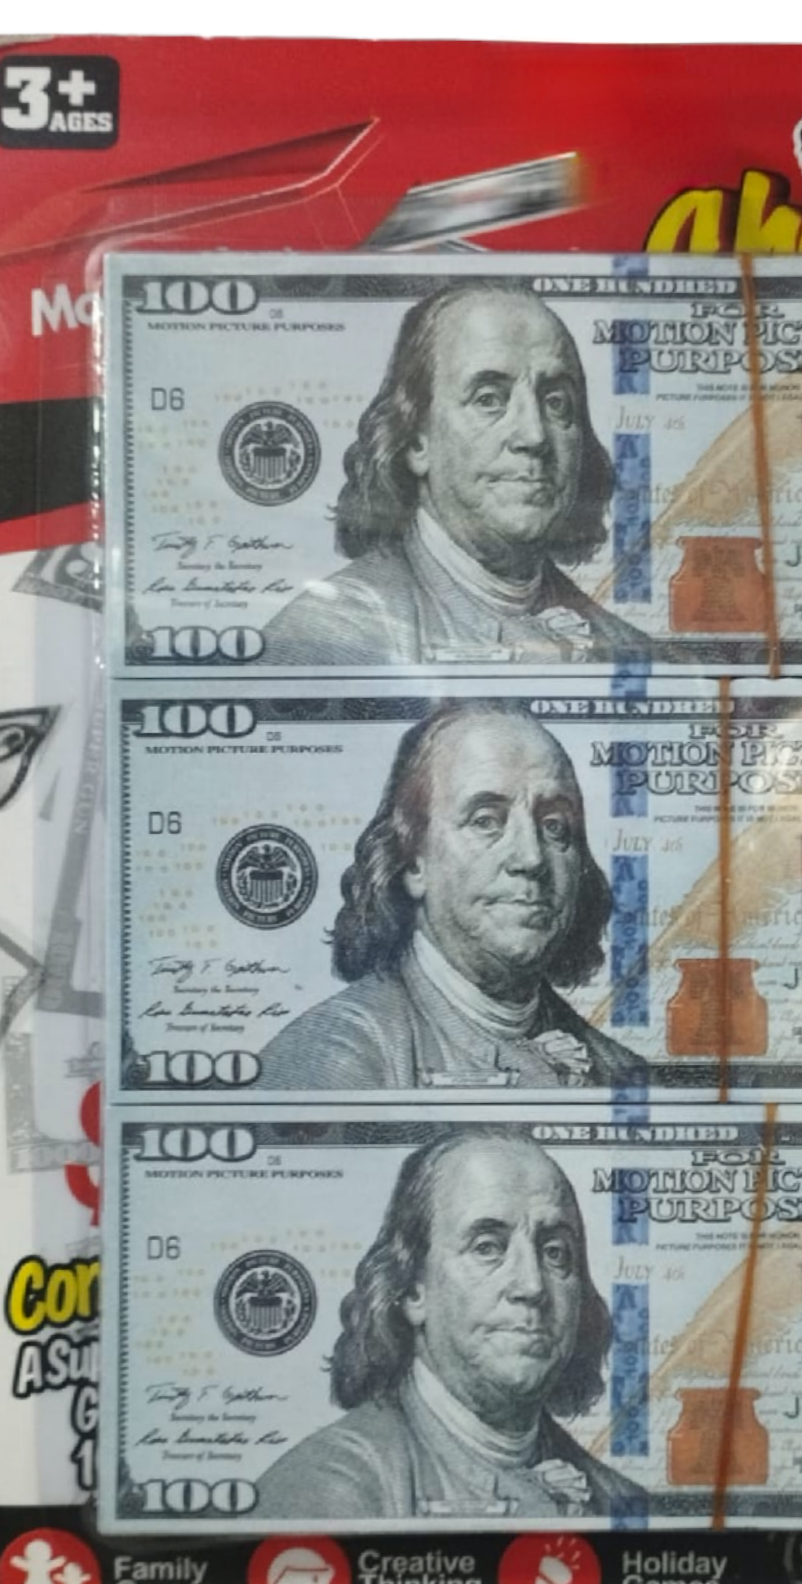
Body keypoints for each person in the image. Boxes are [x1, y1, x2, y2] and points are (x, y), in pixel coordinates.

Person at [255, 700, 647, 1090]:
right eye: (485, 821)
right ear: (413, 861)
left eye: (554, 826)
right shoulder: (329, 1062)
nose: (531, 857)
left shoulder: (623, 1072)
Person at [256, 1131, 644, 1520]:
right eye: (487, 1247)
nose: (532, 1285)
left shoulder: (620, 1500)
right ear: (412, 1289)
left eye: (555, 1252)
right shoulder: (328, 1490)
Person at [261, 285, 652, 665]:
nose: (534, 435)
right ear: (416, 440)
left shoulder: (634, 652)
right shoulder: (324, 639)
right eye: (488, 399)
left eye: (556, 403)